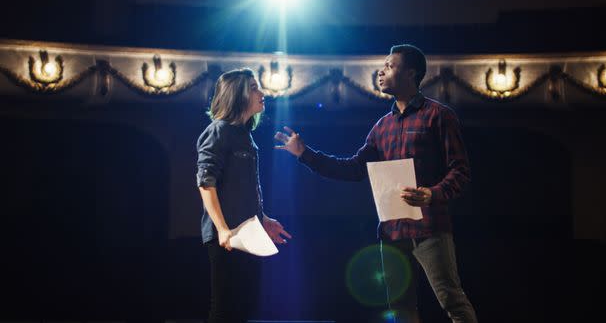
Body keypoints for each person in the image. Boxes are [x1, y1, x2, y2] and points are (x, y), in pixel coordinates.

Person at [274, 45, 477, 323]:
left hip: (430, 229)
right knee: (400, 309)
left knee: (452, 300)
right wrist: (304, 154)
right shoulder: (382, 126)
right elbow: (354, 168)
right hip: (392, 232)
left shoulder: (438, 116)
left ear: (410, 74)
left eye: (390, 66)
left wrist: (431, 194)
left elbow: (460, 172)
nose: (381, 71)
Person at [196, 68, 292, 323]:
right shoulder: (219, 130)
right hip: (227, 237)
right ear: (236, 94)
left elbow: (243, 189)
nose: (262, 93)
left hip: (247, 233)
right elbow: (206, 183)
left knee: (243, 309)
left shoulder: (246, 137)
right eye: (253, 87)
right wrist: (222, 229)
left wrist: (263, 219)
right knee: (224, 310)